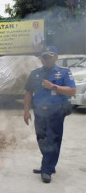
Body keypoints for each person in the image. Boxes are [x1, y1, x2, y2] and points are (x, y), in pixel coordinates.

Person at [24, 46, 76, 183]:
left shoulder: (64, 72)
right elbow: (28, 92)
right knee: (41, 139)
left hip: (56, 112)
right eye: (44, 57)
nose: (46, 59)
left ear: (55, 57)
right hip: (39, 112)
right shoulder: (34, 73)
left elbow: (72, 91)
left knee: (52, 140)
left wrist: (53, 86)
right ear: (41, 58)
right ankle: (48, 164)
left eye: (49, 56)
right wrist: (26, 111)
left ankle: (47, 169)